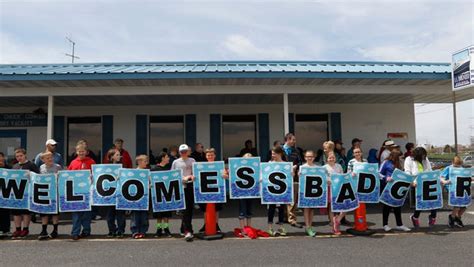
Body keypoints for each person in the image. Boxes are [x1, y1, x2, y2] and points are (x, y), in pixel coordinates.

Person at [68, 143, 96, 240]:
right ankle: (75, 232)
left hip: (87, 191)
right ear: (76, 152)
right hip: (75, 192)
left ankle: (86, 231)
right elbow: (68, 176)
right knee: (76, 213)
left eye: (83, 151)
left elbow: (96, 174)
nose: (81, 153)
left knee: (86, 214)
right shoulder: (73, 162)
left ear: (86, 152)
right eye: (79, 151)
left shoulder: (91, 161)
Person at [379, 151, 411, 232]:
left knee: (398, 206)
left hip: (397, 188)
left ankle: (399, 224)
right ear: (396, 156)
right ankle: (385, 225)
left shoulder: (399, 164)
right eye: (400, 157)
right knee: (387, 206)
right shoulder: (386, 162)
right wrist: (386, 178)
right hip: (387, 187)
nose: (402, 158)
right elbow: (378, 173)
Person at [11, 148, 39, 239]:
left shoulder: (31, 165)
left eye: (21, 156)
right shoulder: (14, 166)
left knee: (26, 212)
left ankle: (25, 229)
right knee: (16, 212)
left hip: (27, 192)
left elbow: (37, 177)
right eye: (17, 156)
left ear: (25, 155)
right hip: (16, 192)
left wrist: (30, 175)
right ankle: (18, 229)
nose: (19, 158)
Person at [198, 148, 228, 233]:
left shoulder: (219, 165)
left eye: (211, 155)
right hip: (205, 190)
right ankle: (206, 224)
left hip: (216, 189)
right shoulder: (201, 166)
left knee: (216, 209)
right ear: (206, 156)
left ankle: (216, 224)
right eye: (208, 155)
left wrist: (225, 175)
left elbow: (225, 175)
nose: (210, 156)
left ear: (214, 156)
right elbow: (197, 175)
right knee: (205, 209)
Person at [404, 147, 435, 228]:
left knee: (433, 201)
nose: (424, 157)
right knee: (420, 203)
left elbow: (429, 169)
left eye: (424, 156)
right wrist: (412, 182)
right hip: (416, 184)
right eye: (422, 156)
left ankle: (433, 216)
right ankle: (415, 217)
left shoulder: (425, 159)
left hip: (427, 182)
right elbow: (407, 171)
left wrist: (434, 178)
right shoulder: (408, 160)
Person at [171, 144, 196, 242]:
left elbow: (196, 172)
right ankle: (188, 230)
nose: (184, 153)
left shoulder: (192, 160)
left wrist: (192, 176)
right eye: (182, 152)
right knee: (184, 210)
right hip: (180, 187)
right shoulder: (175, 162)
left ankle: (184, 229)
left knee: (189, 209)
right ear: (179, 152)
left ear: (188, 152)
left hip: (190, 186)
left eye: (185, 151)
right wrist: (182, 178)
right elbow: (172, 174)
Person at [38, 151, 62, 240]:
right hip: (44, 193)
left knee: (55, 212)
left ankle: (55, 230)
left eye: (51, 157)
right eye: (47, 158)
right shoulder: (41, 168)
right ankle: (44, 230)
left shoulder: (58, 167)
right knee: (44, 212)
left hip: (55, 192)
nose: (50, 159)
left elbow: (62, 178)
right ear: (43, 160)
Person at [267, 146, 289, 237]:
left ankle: (281, 226)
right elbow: (265, 174)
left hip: (282, 189)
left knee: (281, 208)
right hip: (272, 189)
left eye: (274, 153)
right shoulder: (269, 163)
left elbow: (288, 177)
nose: (273, 155)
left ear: (280, 154)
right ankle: (270, 228)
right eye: (272, 154)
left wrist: (292, 173)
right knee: (271, 208)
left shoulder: (285, 164)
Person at [282, 133, 303, 228]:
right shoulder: (280, 150)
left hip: (293, 176)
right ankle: (284, 216)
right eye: (293, 140)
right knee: (283, 197)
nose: (294, 141)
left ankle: (292, 219)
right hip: (281, 177)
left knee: (293, 197)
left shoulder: (296, 150)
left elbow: (300, 162)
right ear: (288, 140)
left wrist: (296, 166)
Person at [104, 148, 126, 238]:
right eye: (117, 155)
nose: (119, 156)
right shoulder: (105, 168)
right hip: (110, 194)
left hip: (119, 193)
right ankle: (112, 230)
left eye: (119, 154)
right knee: (110, 215)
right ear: (112, 157)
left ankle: (121, 231)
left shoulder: (122, 167)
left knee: (120, 214)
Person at [440, 156, 466, 228]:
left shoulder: (462, 169)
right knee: (457, 205)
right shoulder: (448, 168)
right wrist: (445, 181)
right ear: (452, 163)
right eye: (455, 166)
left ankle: (457, 217)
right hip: (452, 189)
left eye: (459, 166)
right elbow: (441, 177)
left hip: (462, 189)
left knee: (464, 206)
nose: (457, 168)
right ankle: (452, 217)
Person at [151, 152, 172, 238]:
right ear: (162, 158)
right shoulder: (154, 169)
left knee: (166, 213)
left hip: (167, 194)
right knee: (158, 214)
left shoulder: (169, 169)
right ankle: (159, 229)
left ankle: (166, 229)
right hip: (157, 194)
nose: (168, 159)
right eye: (167, 157)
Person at [300, 150, 320, 237]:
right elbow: (300, 178)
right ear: (305, 158)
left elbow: (322, 177)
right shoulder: (302, 167)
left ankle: (310, 226)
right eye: (308, 157)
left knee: (312, 209)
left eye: (311, 156)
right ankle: (307, 226)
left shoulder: (317, 167)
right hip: (305, 190)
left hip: (314, 191)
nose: (309, 158)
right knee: (306, 208)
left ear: (314, 157)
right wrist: (299, 174)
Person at [324, 151, 344, 235]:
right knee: (331, 208)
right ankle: (334, 226)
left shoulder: (339, 166)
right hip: (329, 189)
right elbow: (322, 177)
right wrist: (327, 181)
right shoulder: (324, 167)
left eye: (333, 158)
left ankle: (338, 220)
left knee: (343, 206)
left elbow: (342, 176)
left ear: (335, 159)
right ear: (327, 159)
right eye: (329, 158)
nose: (331, 159)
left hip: (338, 188)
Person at [130, 155, 150, 239]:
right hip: (135, 197)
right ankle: (135, 231)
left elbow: (150, 182)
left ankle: (143, 231)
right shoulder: (134, 172)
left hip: (145, 196)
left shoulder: (148, 172)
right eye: (145, 161)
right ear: (139, 162)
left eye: (146, 161)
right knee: (135, 214)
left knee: (144, 214)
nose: (146, 163)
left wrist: (150, 185)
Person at [236, 153, 255, 236]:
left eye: (250, 158)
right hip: (241, 191)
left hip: (251, 191)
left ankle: (249, 227)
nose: (248, 160)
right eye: (246, 158)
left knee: (249, 210)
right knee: (242, 210)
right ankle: (242, 228)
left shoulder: (255, 167)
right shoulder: (238, 167)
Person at [0, 152, 11, 238]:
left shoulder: (9, 167)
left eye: (1, 157)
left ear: (3, 157)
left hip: (6, 193)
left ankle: (6, 229)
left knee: (6, 212)